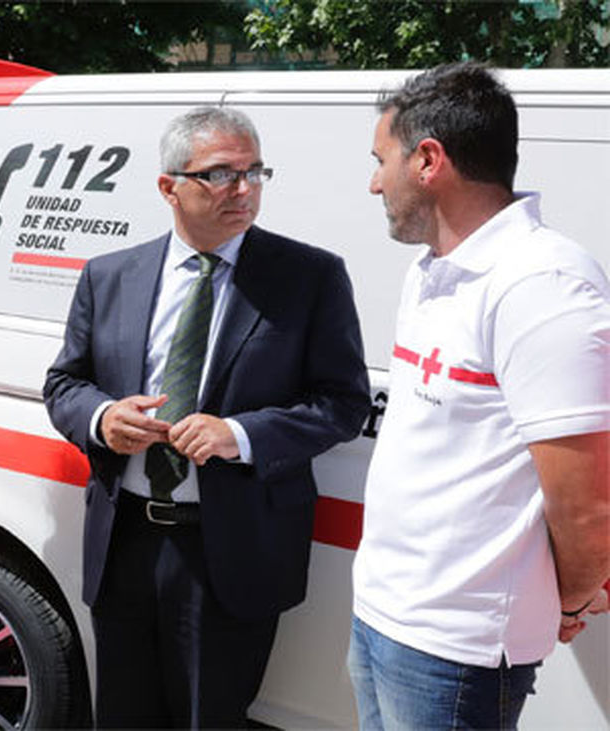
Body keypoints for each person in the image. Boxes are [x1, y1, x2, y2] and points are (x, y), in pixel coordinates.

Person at [43, 106, 370, 728]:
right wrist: (103, 417)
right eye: (221, 174)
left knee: (209, 717)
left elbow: (343, 402)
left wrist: (240, 435)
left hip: (231, 548)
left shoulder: (309, 277)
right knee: (122, 714)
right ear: (170, 186)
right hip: (125, 543)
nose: (243, 190)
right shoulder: (111, 275)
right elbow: (64, 383)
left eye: (254, 172)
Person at [351, 61, 610, 730]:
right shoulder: (434, 270)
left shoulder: (542, 283)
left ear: (429, 160)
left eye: (383, 160)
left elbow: (587, 505)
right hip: (382, 614)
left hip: (455, 649)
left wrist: (570, 599)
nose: (375, 181)